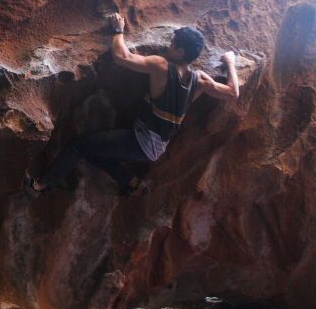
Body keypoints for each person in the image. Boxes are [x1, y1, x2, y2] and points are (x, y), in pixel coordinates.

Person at [23, 13, 239, 197]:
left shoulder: (162, 66)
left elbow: (121, 56)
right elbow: (232, 92)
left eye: (173, 44)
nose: (169, 46)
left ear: (181, 52)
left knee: (78, 144)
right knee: (92, 151)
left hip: (141, 141)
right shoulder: (199, 80)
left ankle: (41, 186)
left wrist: (118, 30)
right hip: (157, 146)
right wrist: (230, 62)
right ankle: (130, 183)